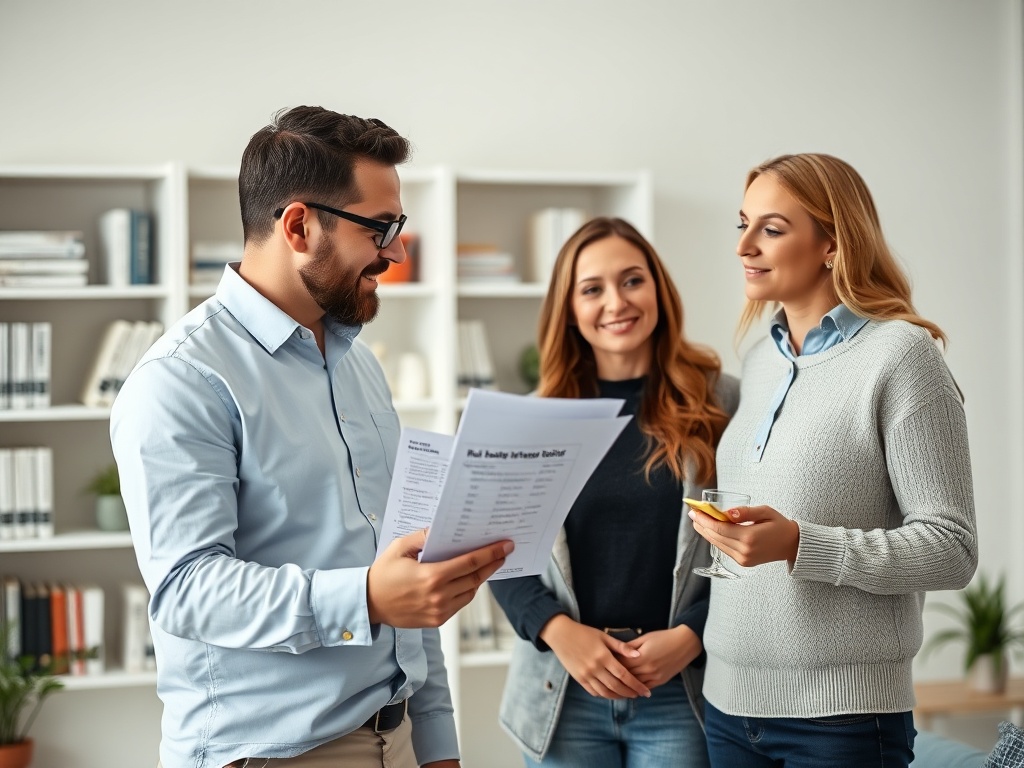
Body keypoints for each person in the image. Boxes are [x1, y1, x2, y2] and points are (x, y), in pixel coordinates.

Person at [109, 106, 513, 768]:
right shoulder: (181, 380)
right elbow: (187, 589)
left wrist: (436, 741)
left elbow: (401, 570)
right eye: (381, 228)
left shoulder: (358, 366)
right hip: (271, 755)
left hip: (398, 735)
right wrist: (366, 598)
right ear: (298, 225)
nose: (397, 251)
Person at [687, 153, 978, 768]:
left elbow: (952, 549)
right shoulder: (760, 359)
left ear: (833, 244)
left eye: (771, 228)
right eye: (741, 224)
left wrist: (798, 543)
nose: (744, 245)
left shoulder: (901, 356)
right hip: (727, 703)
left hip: (842, 718)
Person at [490, 217, 739, 768]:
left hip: (680, 689)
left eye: (632, 280)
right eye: (592, 289)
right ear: (570, 309)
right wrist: (559, 632)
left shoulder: (722, 404)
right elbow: (496, 552)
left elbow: (749, 549)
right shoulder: (535, 418)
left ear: (658, 288)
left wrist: (694, 635)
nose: (616, 302)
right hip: (565, 688)